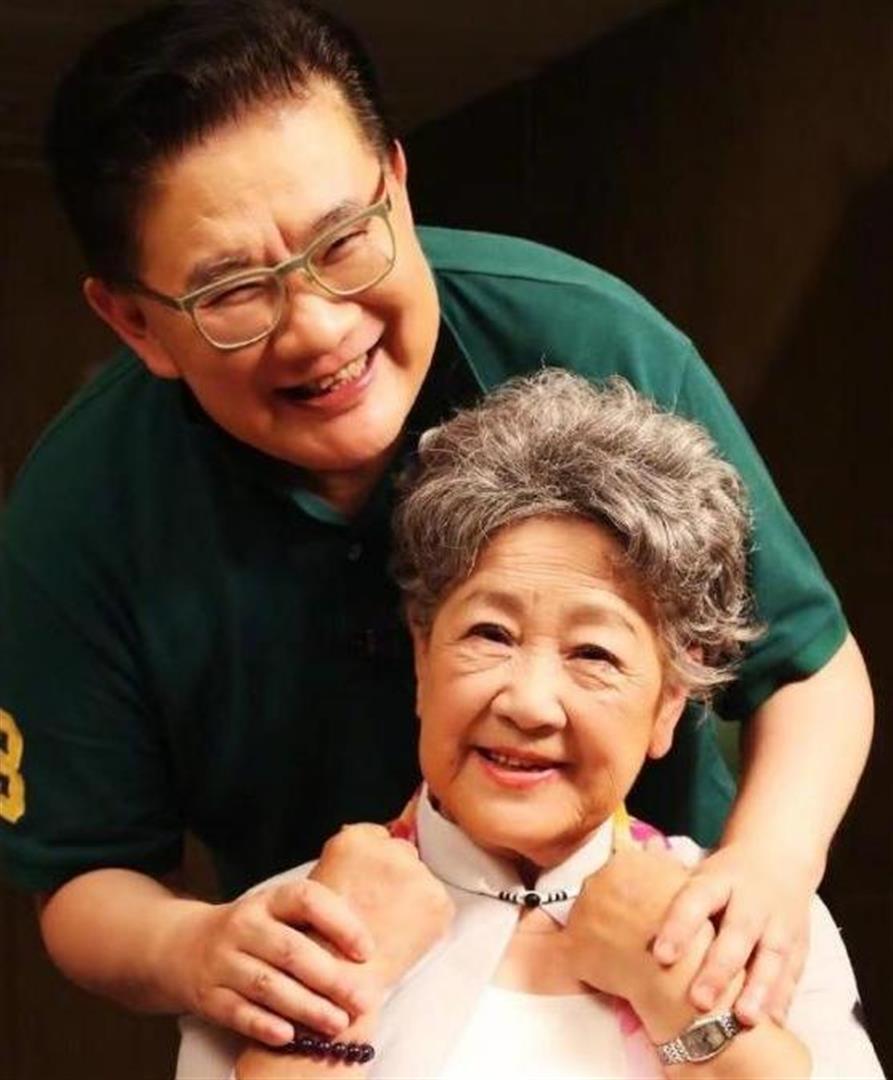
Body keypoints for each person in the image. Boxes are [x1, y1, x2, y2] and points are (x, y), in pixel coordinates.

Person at [0, 0, 873, 1054]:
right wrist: (205, 949)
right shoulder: (79, 517)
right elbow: (82, 878)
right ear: (134, 321)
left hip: (650, 944)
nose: (319, 328)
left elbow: (809, 669)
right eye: (231, 291)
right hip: (336, 983)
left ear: (399, 186)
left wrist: (764, 873)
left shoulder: (593, 343)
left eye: (343, 242)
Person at [177, 371, 882, 1079]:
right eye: (490, 634)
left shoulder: (754, 926)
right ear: (422, 655)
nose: (529, 703)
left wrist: (685, 1002)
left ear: (669, 701)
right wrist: (336, 992)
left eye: (593, 654)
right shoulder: (277, 929)